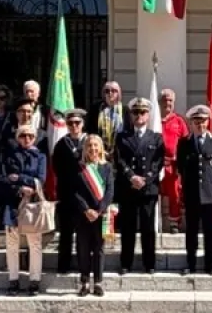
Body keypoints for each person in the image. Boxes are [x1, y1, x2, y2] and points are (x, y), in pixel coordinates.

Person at [114, 97, 165, 274]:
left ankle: (149, 263)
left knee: (148, 228)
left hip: (148, 189)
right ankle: (125, 263)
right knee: (127, 228)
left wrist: (145, 179)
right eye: (135, 112)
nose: (139, 116)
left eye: (142, 112)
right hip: (128, 188)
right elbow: (119, 160)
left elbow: (158, 163)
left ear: (148, 115)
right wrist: (131, 177)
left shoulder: (156, 138)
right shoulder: (122, 137)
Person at [176, 104, 212, 275]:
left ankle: (209, 264)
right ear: (191, 123)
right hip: (191, 194)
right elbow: (181, 166)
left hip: (209, 193)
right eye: (196, 121)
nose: (200, 125)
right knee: (191, 231)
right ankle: (190, 263)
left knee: (209, 232)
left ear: (208, 122)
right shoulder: (184, 143)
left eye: (203, 121)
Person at [0, 124, 47, 296]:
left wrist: (19, 178)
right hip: (13, 203)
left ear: (35, 138)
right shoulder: (9, 156)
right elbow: (4, 179)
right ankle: (13, 280)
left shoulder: (40, 156)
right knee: (12, 243)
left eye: (30, 136)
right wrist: (20, 188)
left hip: (32, 204)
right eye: (23, 136)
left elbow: (40, 179)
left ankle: (34, 280)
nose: (26, 139)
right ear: (17, 137)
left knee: (35, 243)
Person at [75, 135, 115, 297]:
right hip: (83, 215)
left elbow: (110, 191)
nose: (93, 149)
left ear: (100, 148)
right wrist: (86, 210)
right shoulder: (79, 168)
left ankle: (98, 282)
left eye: (96, 145)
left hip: (101, 214)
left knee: (99, 249)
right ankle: (84, 281)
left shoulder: (107, 167)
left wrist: (99, 210)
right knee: (83, 248)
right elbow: (75, 192)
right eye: (89, 145)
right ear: (85, 148)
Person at [52, 109, 88, 273]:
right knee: (65, 233)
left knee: (84, 234)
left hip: (86, 195)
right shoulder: (61, 144)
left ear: (83, 124)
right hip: (67, 194)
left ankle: (84, 267)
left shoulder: (90, 142)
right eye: (70, 123)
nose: (74, 126)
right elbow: (56, 168)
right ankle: (63, 266)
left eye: (77, 123)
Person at [159, 88, 189, 232]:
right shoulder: (153, 120)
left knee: (175, 194)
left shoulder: (179, 121)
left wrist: (180, 159)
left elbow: (186, 142)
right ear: (159, 102)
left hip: (173, 164)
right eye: (164, 99)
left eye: (170, 100)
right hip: (156, 165)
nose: (167, 103)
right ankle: (154, 221)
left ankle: (174, 223)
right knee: (153, 193)